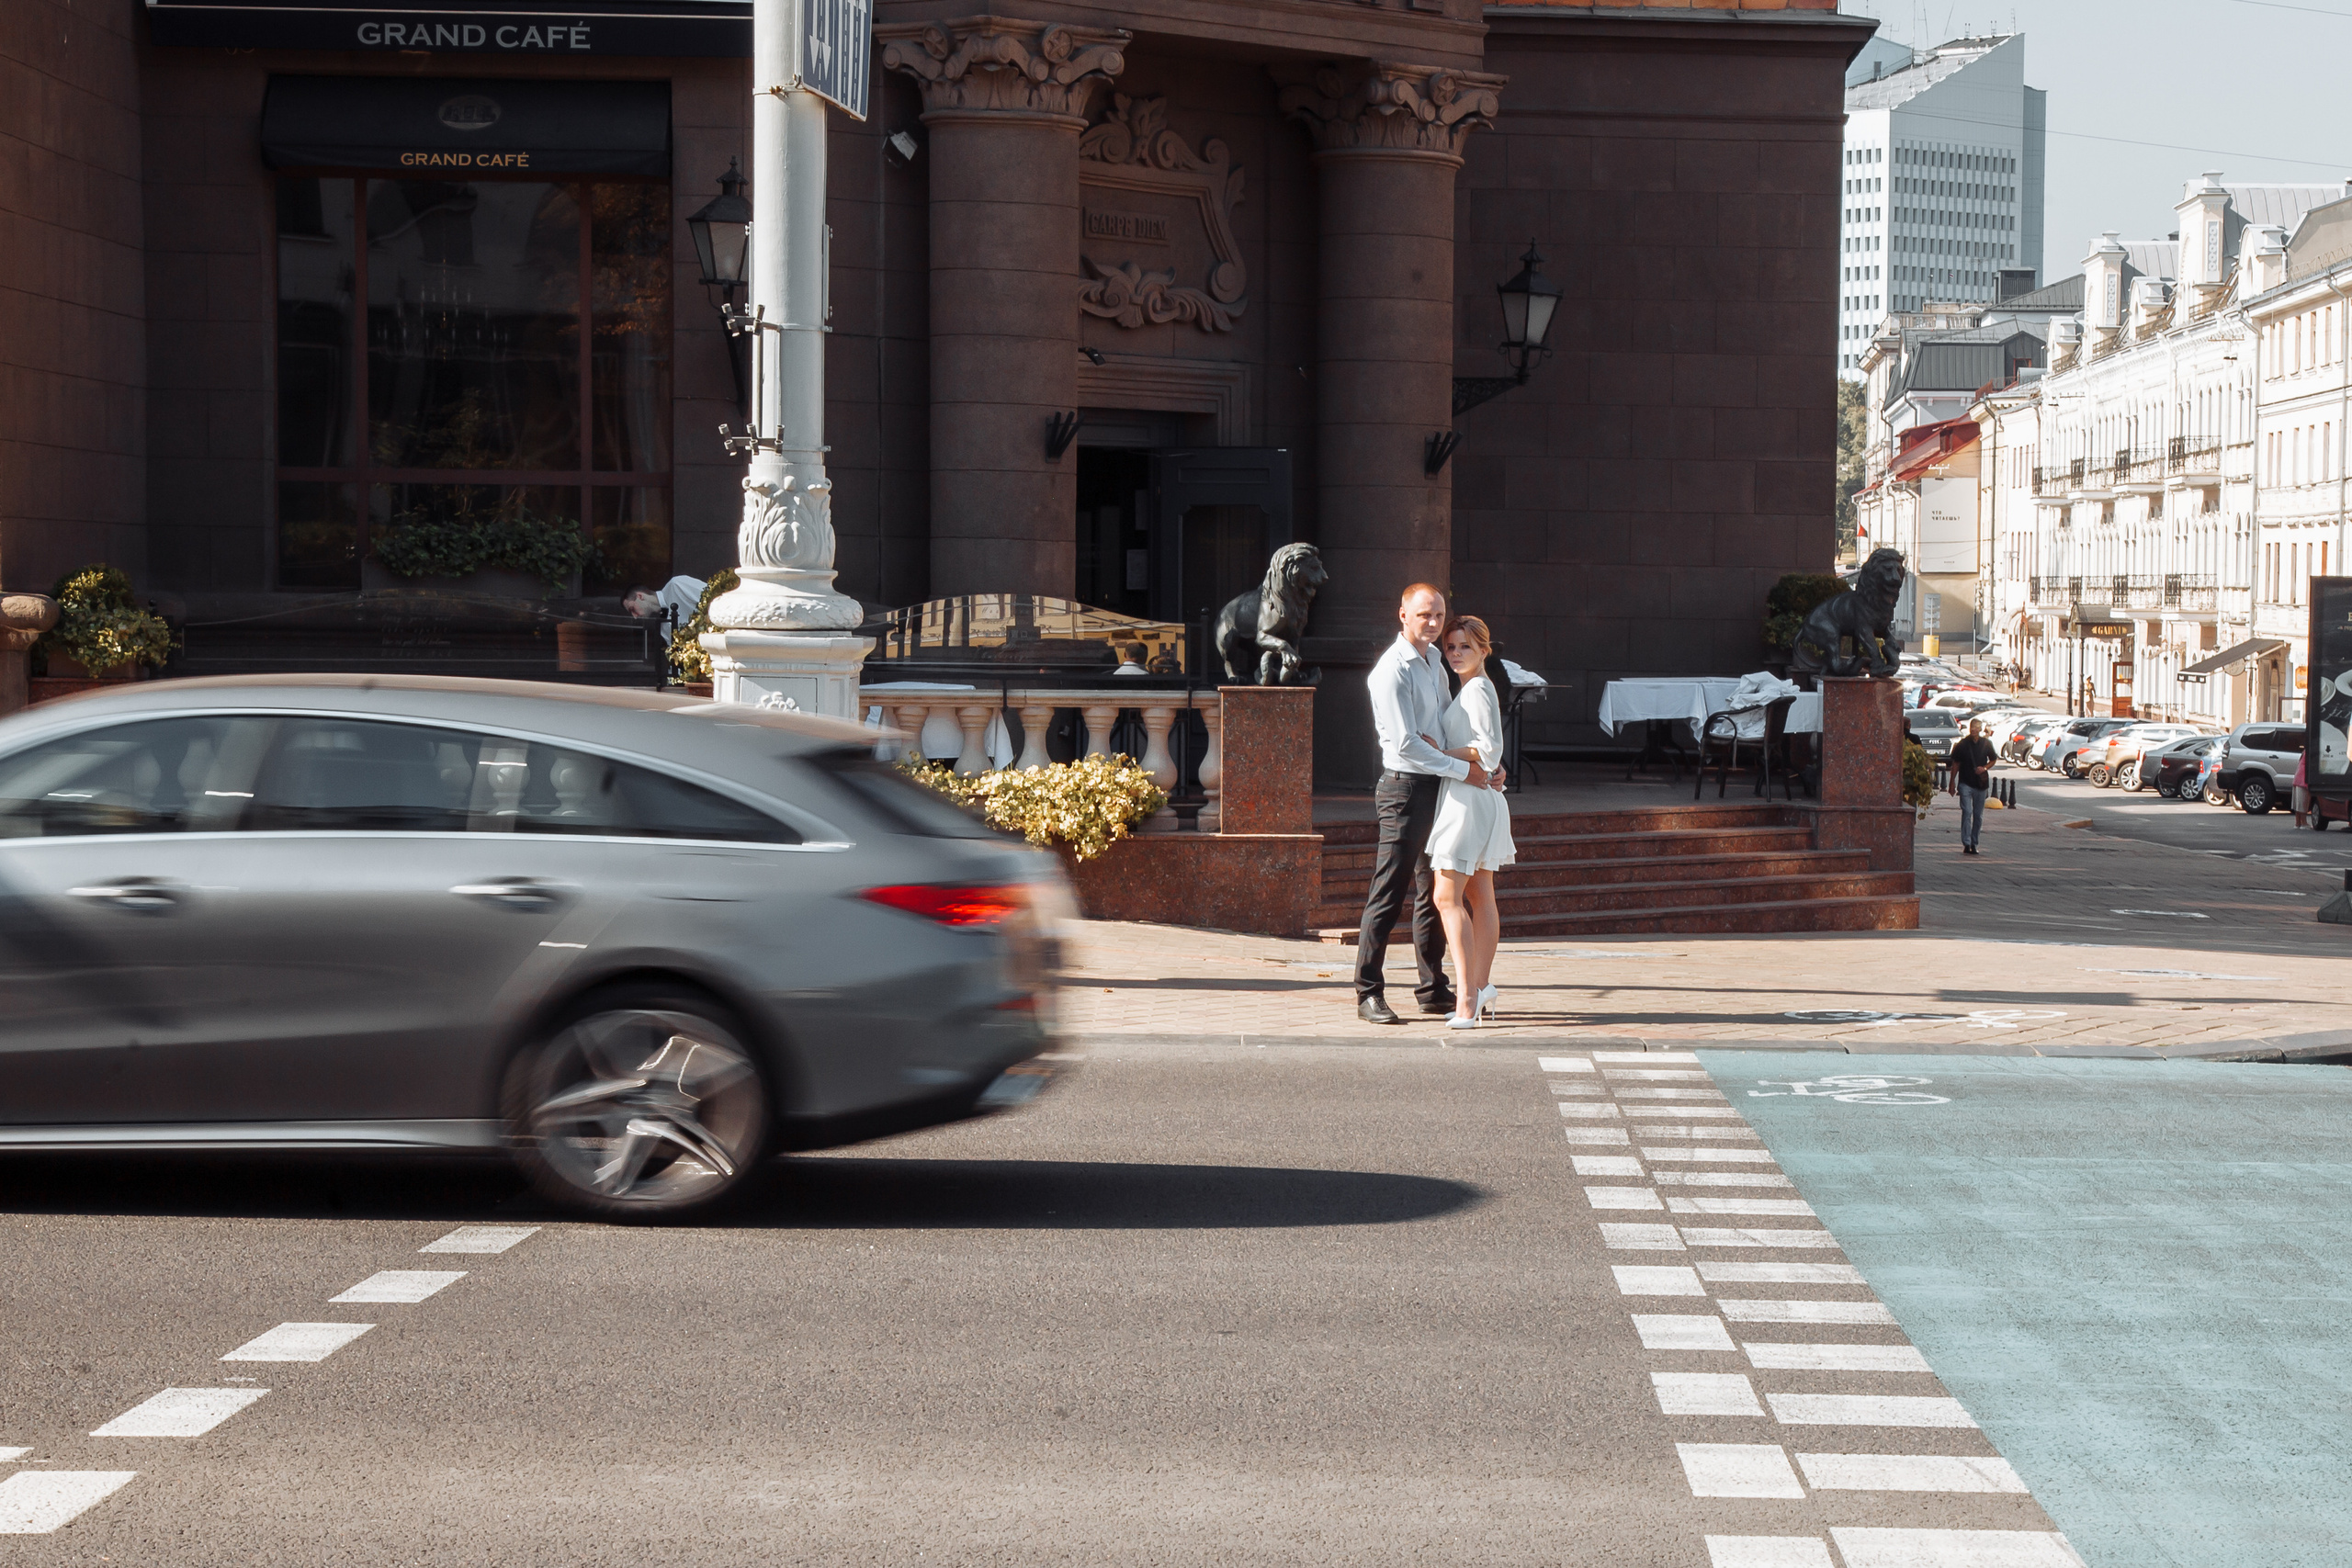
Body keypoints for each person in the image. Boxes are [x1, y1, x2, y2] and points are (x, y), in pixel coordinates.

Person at [1355, 584, 1496, 1025]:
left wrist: (1486, 766)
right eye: (1424, 616)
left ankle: (1432, 987)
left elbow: (1448, 736)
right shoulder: (1391, 670)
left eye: (1438, 614)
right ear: (1402, 615)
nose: (1433, 623)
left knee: (1432, 894)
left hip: (1440, 786)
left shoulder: (1436, 661)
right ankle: (1368, 992)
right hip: (1404, 789)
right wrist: (1466, 770)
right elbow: (1406, 745)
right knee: (1390, 890)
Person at [1424, 615, 1516, 1030]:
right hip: (1472, 798)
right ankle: (1479, 988)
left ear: (1483, 649)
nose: (1457, 654)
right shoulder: (1470, 689)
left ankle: (1466, 998)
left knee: (1447, 896)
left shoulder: (1478, 688)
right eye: (1451, 647)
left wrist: (1441, 751)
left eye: (1465, 646)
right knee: (1479, 894)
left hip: (1469, 801)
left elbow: (1489, 750)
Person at [1951, 716, 1997, 856]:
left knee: (1978, 815)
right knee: (1967, 812)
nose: (1974, 730)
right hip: (1965, 782)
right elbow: (1956, 764)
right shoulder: (1962, 744)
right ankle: (1966, 842)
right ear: (1970, 728)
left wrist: (1985, 768)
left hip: (1980, 784)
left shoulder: (1986, 743)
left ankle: (1974, 843)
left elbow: (1993, 759)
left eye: (1977, 727)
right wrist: (1952, 782)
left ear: (1981, 729)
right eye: (1972, 727)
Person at [623, 576, 707, 645]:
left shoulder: (676, 584)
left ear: (640, 596)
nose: (635, 616)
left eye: (632, 609)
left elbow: (714, 596)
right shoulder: (663, 628)